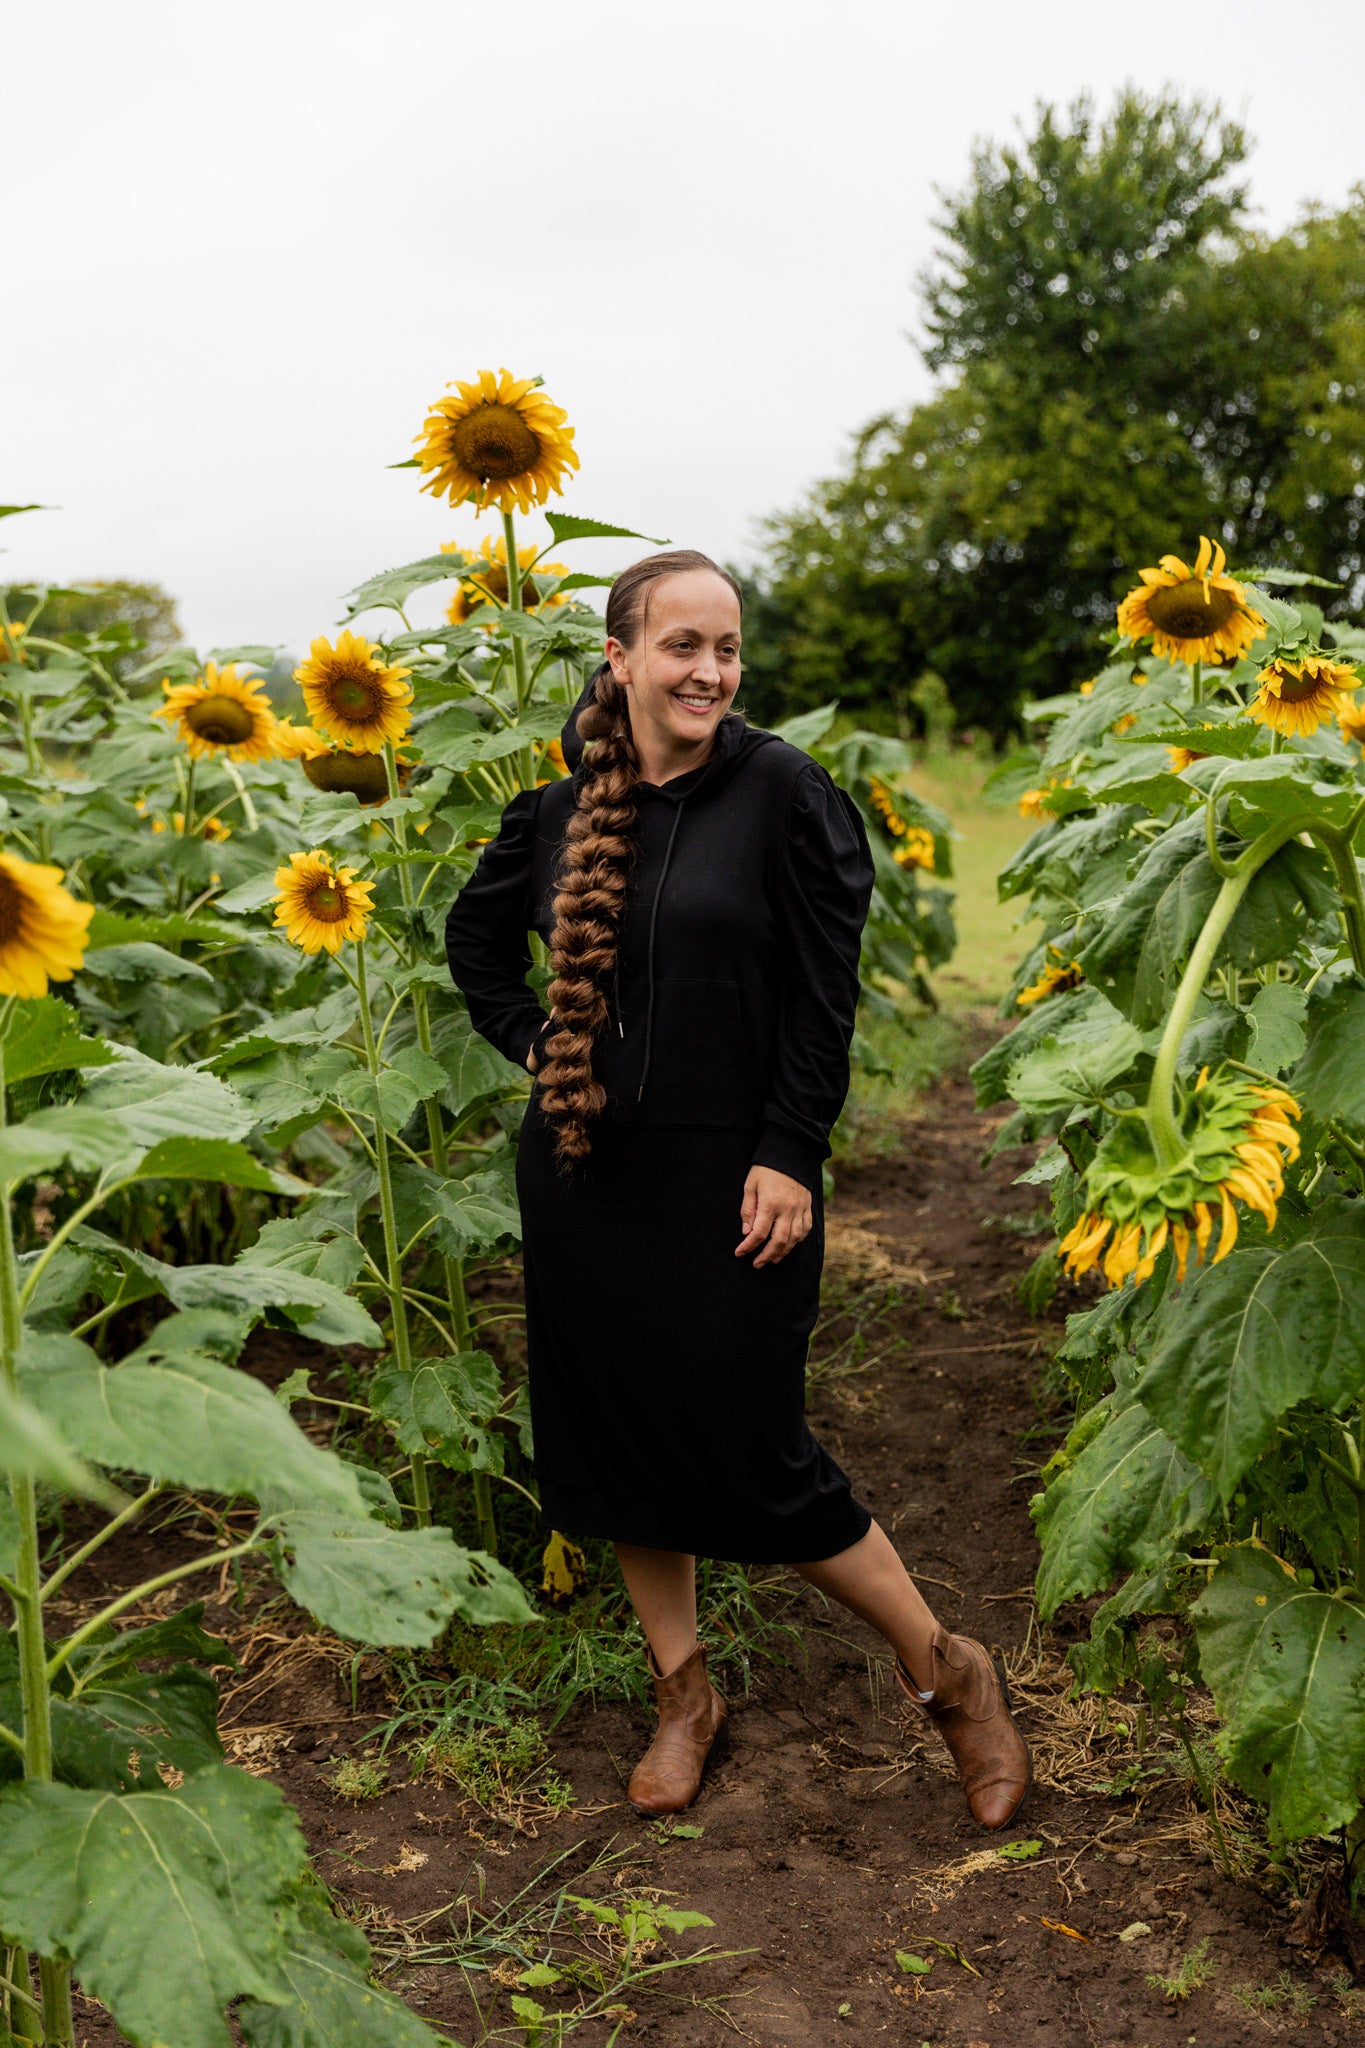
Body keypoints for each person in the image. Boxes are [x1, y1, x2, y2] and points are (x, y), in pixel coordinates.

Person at [444, 549, 1030, 1829]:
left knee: (752, 1451)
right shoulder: (552, 818)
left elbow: (826, 998)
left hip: (738, 1174)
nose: (710, 669)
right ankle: (684, 1695)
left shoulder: (784, 794)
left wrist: (791, 1148)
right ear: (621, 659)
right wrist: (533, 1044)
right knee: (616, 1441)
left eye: (726, 647)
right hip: (588, 1174)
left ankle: (949, 1673)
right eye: (682, 646)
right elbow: (473, 942)